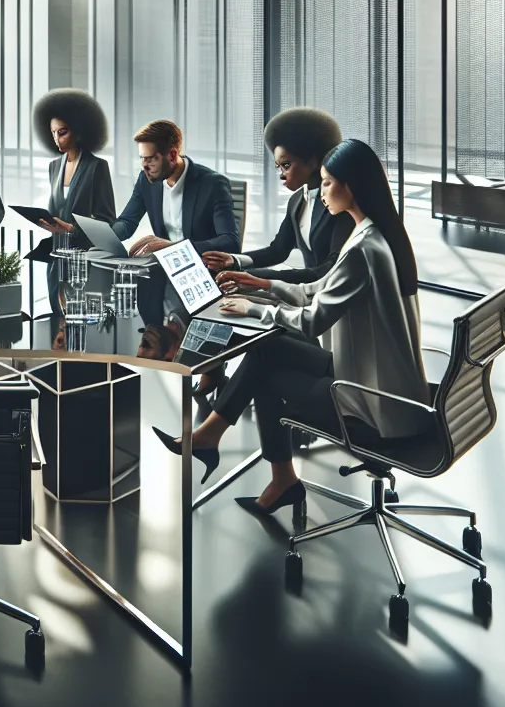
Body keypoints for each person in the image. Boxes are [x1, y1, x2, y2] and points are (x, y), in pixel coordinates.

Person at [150, 139, 426, 517]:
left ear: (352, 186)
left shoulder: (362, 248)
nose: (322, 191)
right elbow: (319, 289)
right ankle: (229, 449)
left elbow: (314, 319)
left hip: (372, 401)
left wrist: (254, 310)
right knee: (267, 351)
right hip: (376, 378)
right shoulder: (374, 235)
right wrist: (263, 286)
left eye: (328, 183)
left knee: (265, 371)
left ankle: (241, 456)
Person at [110, 119, 239, 322]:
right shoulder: (147, 180)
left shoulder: (212, 184)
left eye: (151, 158)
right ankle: (151, 339)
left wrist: (174, 247)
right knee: (130, 298)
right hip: (164, 274)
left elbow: (231, 241)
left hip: (200, 275)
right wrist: (103, 237)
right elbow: (127, 221)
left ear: (171, 155)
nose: (145, 165)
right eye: (142, 158)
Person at [202, 107, 350, 283]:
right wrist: (234, 260)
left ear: (312, 161)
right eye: (278, 166)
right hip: (310, 295)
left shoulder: (340, 203)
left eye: (286, 165)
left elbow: (330, 269)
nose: (281, 174)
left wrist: (257, 278)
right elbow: (277, 251)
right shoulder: (297, 201)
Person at [31, 88, 115, 247]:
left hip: (84, 254)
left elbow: (108, 222)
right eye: (53, 133)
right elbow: (55, 212)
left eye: (62, 132)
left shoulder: (97, 167)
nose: (57, 139)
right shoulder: (54, 166)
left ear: (77, 130)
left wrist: (73, 229)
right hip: (57, 252)